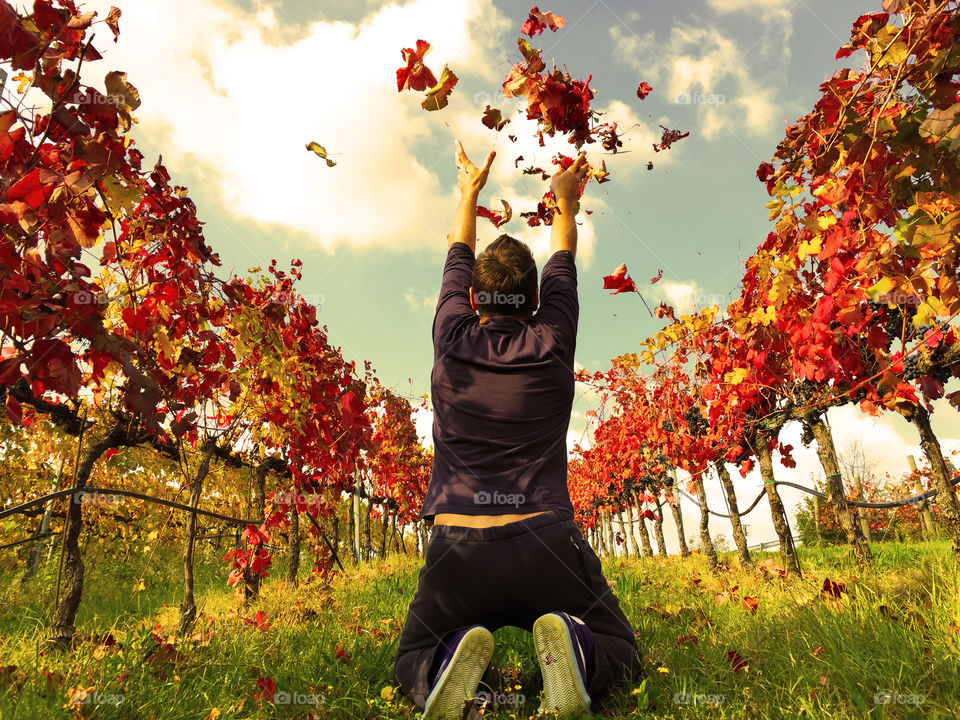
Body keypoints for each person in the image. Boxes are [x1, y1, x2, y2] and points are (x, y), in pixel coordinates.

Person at [392, 139, 638, 719]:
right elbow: (564, 256)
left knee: (412, 655)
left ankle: (448, 659)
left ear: (473, 298)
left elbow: (457, 252)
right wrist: (564, 203)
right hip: (545, 545)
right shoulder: (553, 338)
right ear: (535, 299)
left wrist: (470, 192)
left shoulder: (451, 335)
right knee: (622, 647)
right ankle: (575, 649)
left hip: (458, 550)